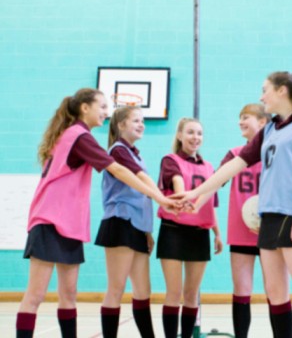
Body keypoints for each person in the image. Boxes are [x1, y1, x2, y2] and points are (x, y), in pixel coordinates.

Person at [174, 72, 292, 338]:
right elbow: (233, 166)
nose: (262, 97)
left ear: (282, 91)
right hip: (268, 219)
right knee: (276, 294)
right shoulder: (269, 130)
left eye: (265, 90)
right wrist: (195, 193)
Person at [16, 88, 176, 338]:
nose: (105, 112)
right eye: (101, 107)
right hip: (49, 219)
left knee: (69, 294)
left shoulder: (80, 135)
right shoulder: (79, 135)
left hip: (69, 223)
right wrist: (160, 198)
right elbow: (118, 170)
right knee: (35, 295)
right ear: (84, 108)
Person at [95, 105, 179, 338]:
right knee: (116, 288)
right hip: (120, 222)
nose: (141, 125)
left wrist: (147, 232)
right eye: (136, 121)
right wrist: (163, 199)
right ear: (121, 124)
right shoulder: (118, 151)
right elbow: (141, 179)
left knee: (143, 290)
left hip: (137, 227)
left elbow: (142, 196)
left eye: (142, 121)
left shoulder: (135, 154)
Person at [157, 117, 223, 338]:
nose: (195, 137)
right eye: (190, 132)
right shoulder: (170, 160)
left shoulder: (209, 167)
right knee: (174, 293)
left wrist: (217, 233)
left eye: (199, 133)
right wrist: (183, 198)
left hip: (199, 233)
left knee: (192, 294)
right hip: (173, 230)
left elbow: (211, 204)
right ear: (179, 135)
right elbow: (178, 182)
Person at [219, 104, 269, 338]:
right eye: (240, 117)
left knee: (275, 290)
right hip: (240, 229)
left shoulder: (274, 152)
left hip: (270, 230)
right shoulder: (234, 153)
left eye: (245, 117)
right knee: (242, 289)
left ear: (262, 122)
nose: (240, 122)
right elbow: (217, 180)